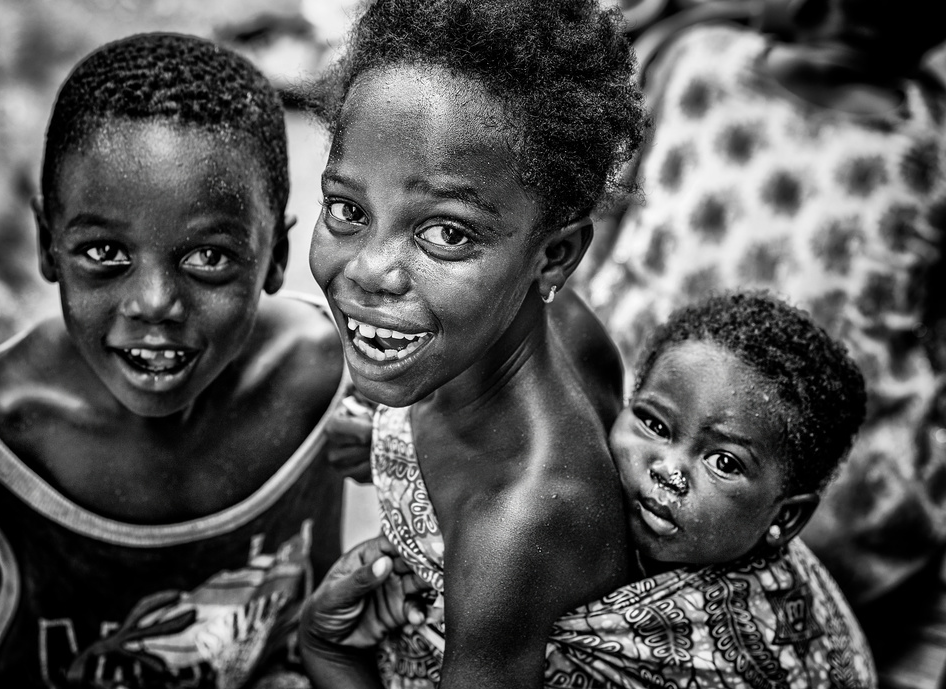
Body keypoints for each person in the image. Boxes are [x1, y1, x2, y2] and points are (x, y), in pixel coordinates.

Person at [0, 33, 349, 689]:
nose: (155, 303)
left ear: (275, 255)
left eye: (209, 257)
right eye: (105, 253)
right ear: (48, 244)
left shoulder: (323, 374)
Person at [295, 0, 647, 687]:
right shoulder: (558, 323)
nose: (369, 269)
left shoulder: (519, 520)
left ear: (553, 256)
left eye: (447, 233)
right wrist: (385, 440)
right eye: (347, 209)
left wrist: (329, 653)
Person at [302, 291, 877, 689]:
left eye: (723, 462)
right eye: (654, 424)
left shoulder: (756, 638)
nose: (668, 471)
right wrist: (391, 439)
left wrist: (329, 657)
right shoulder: (571, 476)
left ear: (786, 520)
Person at [576, 0, 946, 613]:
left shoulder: (933, 141)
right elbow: (596, 221)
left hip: (839, 519)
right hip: (624, 427)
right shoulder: (695, 62)